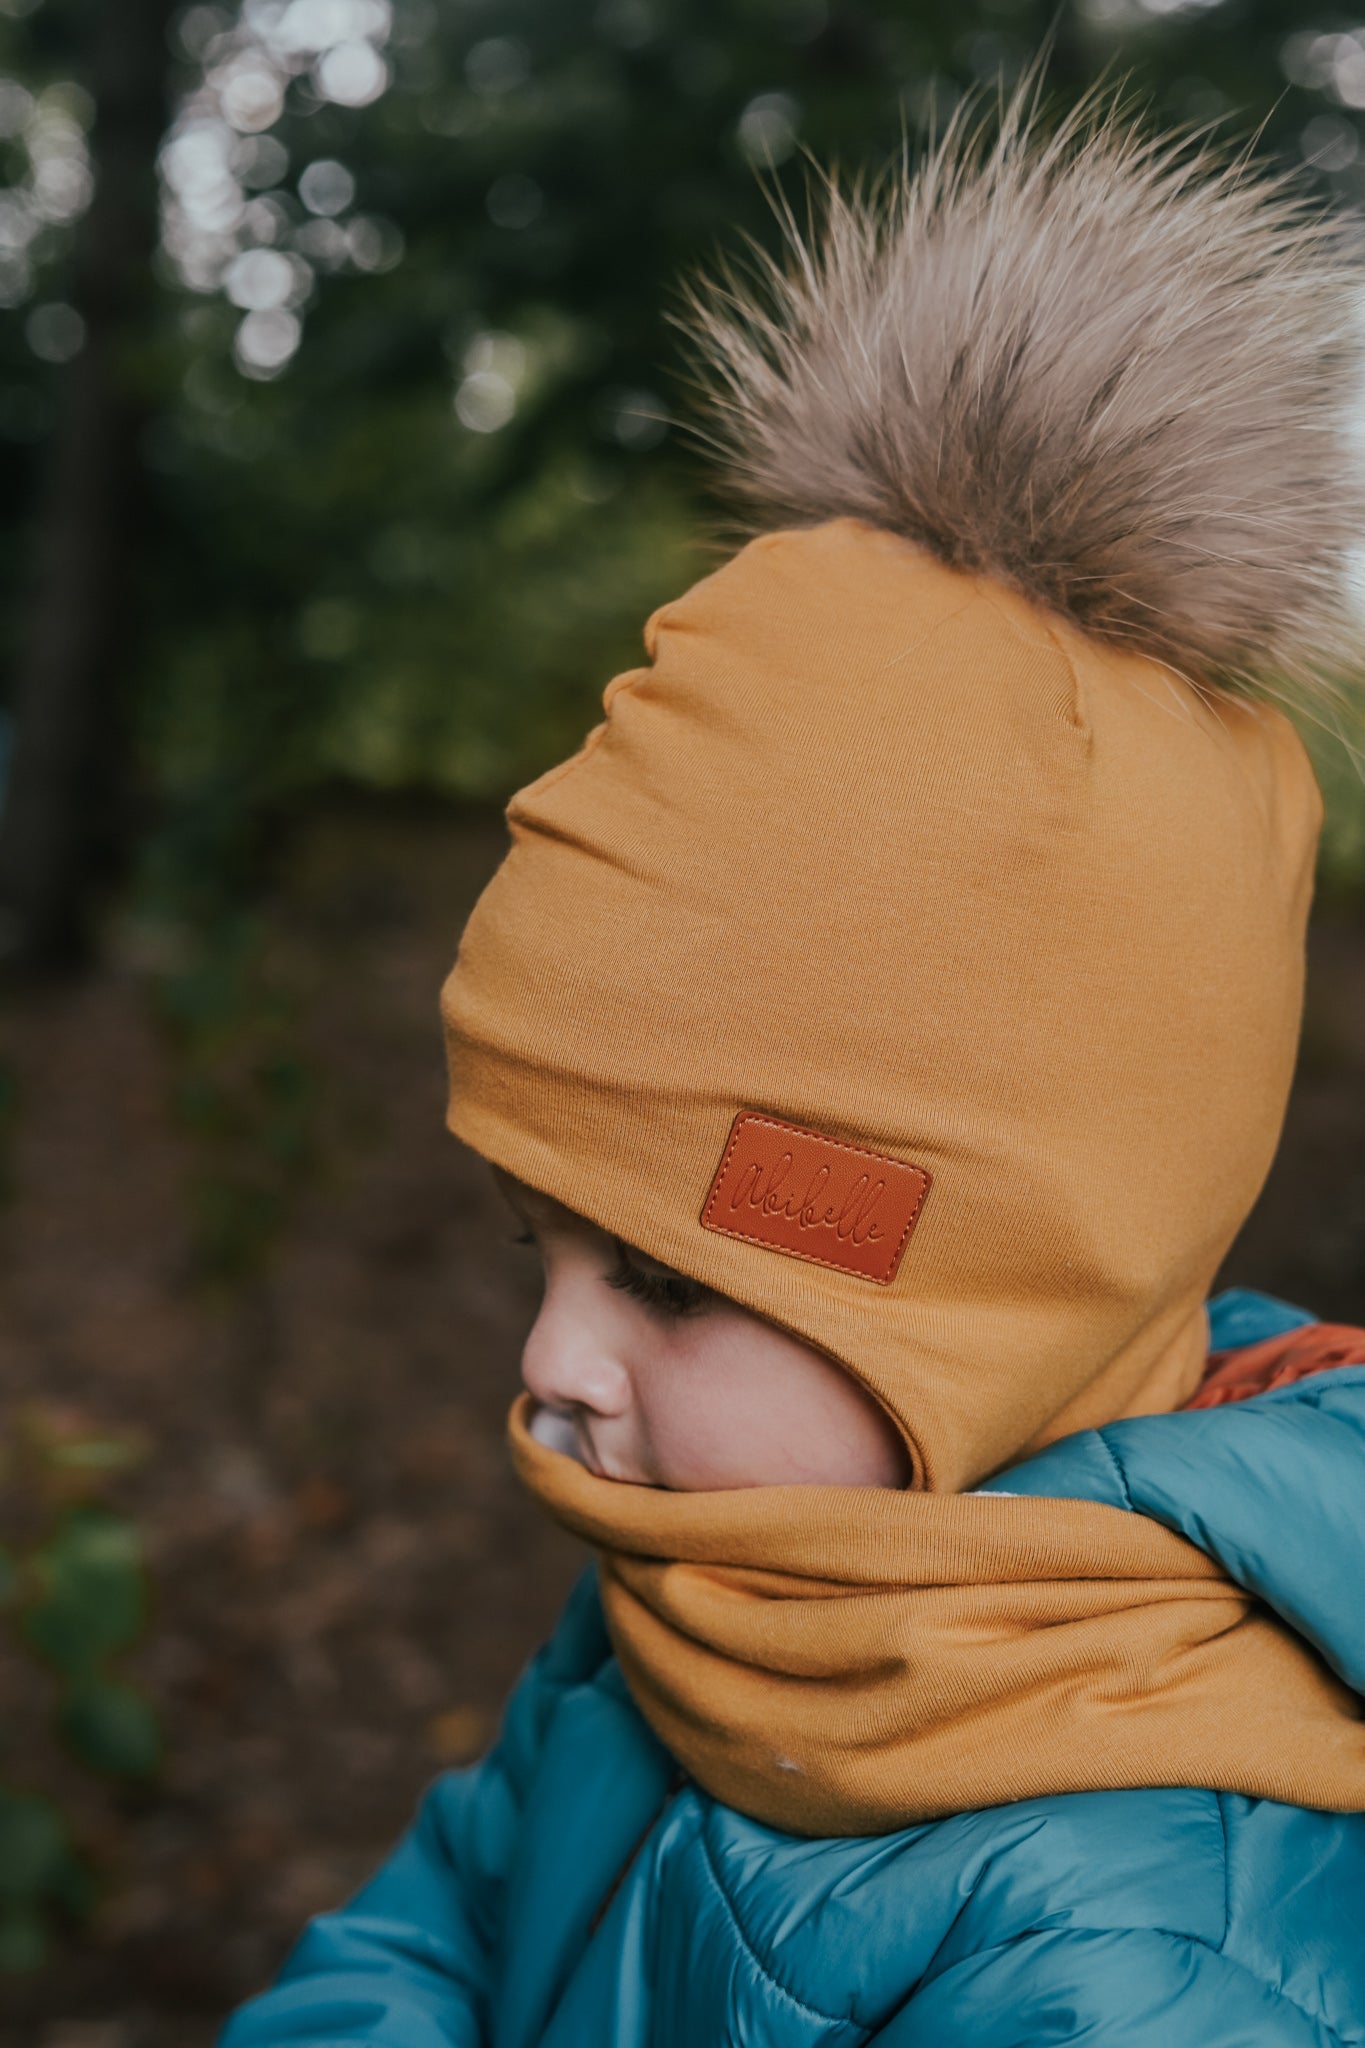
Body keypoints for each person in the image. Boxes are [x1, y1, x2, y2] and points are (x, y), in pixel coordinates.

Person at [221, 85, 1365, 2045]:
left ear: (987, 1299)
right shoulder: (706, 1593)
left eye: (663, 1278)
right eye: (541, 1252)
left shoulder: (1140, 1959)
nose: (549, 1363)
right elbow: (446, 1911)